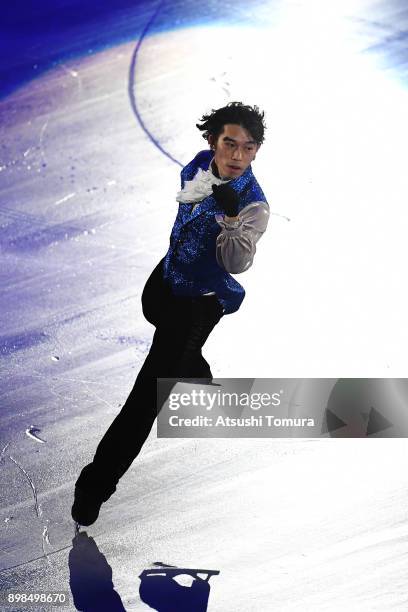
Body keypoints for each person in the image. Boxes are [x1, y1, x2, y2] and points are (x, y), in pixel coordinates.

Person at [71, 101, 270, 525]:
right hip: (166, 279)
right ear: (213, 142)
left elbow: (236, 263)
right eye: (229, 144)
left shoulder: (254, 205)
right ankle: (190, 363)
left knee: (144, 401)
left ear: (256, 151)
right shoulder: (198, 166)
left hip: (199, 301)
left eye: (248, 148)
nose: (237, 156)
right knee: (150, 308)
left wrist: (231, 218)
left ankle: (94, 486)